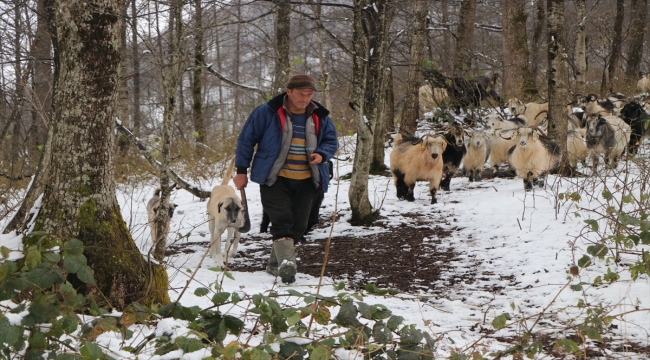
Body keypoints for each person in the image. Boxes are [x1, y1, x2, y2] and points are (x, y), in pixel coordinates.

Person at [234, 74, 338, 284]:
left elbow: (330, 140)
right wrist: (241, 170)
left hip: (308, 179)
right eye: (301, 94)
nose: (305, 99)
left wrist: (322, 154)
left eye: (309, 95)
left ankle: (275, 265)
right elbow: (246, 140)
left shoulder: (320, 115)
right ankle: (287, 264)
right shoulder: (267, 112)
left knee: (300, 226)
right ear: (288, 91)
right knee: (281, 221)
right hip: (275, 177)